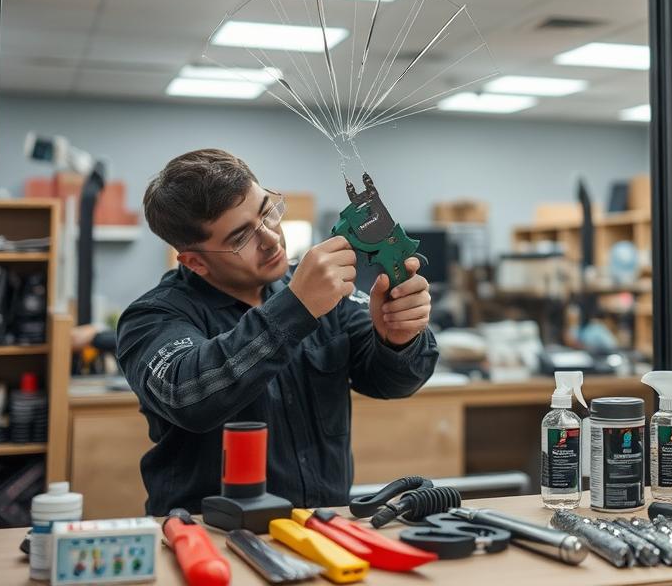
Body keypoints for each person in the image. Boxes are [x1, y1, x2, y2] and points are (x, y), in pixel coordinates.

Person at [116, 149, 437, 514]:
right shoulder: (153, 316)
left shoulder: (320, 293)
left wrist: (399, 336)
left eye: (268, 212)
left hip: (322, 528)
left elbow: (393, 381)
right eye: (240, 238)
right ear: (195, 261)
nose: (270, 239)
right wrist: (297, 307)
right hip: (212, 536)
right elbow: (189, 393)